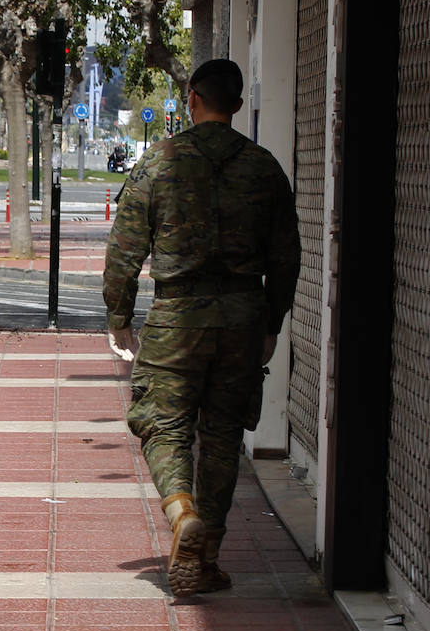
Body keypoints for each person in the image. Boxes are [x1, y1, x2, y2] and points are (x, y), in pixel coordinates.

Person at [103, 58, 300, 598]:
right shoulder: (264, 168)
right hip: (242, 318)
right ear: (238, 105)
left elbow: (124, 252)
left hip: (175, 319)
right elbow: (286, 257)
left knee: (163, 425)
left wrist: (119, 317)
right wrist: (272, 322)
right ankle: (206, 554)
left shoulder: (159, 162)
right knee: (222, 436)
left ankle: (181, 511)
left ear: (192, 99)